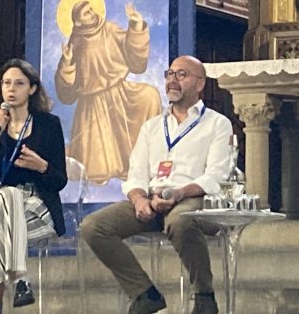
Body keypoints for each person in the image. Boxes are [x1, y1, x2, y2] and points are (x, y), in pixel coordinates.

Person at [81, 56, 232, 314]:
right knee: (94, 226)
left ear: (200, 84)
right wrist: (139, 199)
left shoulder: (217, 123)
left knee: (180, 221)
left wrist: (178, 193)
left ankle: (205, 295)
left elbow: (217, 176)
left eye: (181, 75)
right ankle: (144, 293)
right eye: (169, 74)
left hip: (193, 198)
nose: (172, 80)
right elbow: (136, 174)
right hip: (152, 200)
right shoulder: (152, 126)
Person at [0, 59, 67, 314]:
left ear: (32, 89)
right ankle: (19, 280)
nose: (11, 89)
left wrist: (41, 166)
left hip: (37, 208)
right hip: (2, 206)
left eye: (19, 83)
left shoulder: (48, 124)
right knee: (7, 196)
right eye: (6, 83)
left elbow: (60, 180)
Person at [55, 1, 161, 183]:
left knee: (150, 96)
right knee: (100, 170)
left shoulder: (109, 29)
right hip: (93, 104)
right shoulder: (76, 42)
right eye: (86, 13)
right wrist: (67, 63)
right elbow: (66, 93)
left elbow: (136, 61)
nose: (92, 13)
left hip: (120, 92)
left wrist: (136, 27)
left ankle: (147, 162)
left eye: (91, 9)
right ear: (78, 22)